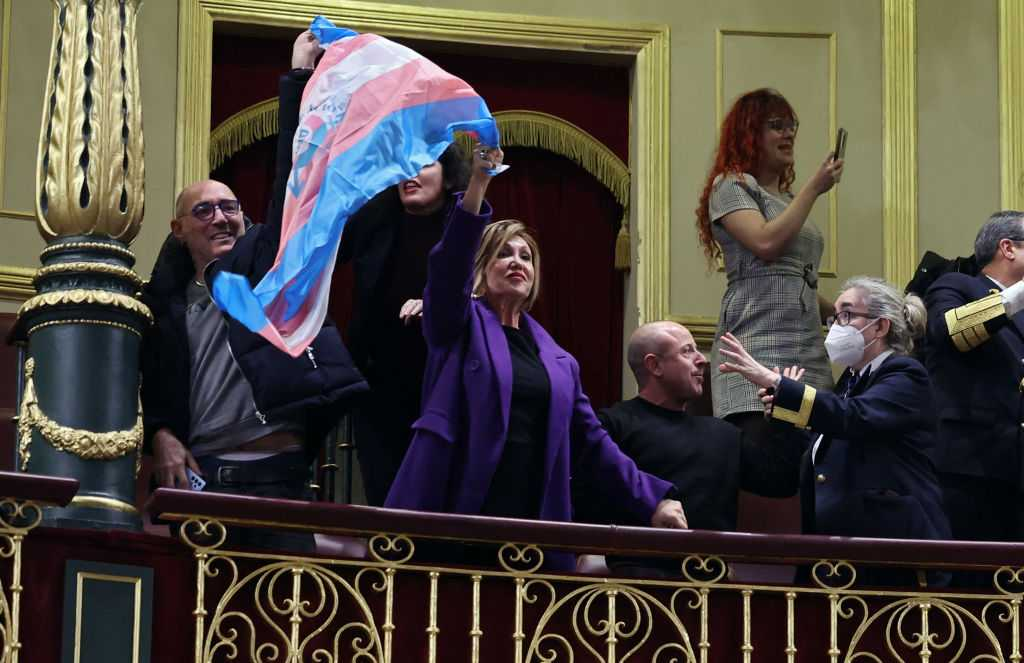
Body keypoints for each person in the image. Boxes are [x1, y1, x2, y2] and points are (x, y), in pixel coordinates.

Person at [384, 147, 688, 570]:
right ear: (482, 269)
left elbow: (593, 441)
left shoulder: (558, 360)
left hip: (532, 527)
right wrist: (479, 183)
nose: (517, 262)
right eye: (504, 254)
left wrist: (651, 500)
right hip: (456, 513)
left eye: (526, 256)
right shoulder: (456, 325)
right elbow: (449, 265)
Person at [276, 31, 471, 505]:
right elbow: (301, 181)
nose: (410, 173)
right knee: (388, 503)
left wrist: (439, 303)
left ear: (448, 174)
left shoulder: (471, 227)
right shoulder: (373, 217)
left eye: (424, 164)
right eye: (404, 163)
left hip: (450, 388)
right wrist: (300, 78)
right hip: (378, 386)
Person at [717, 277, 951, 553]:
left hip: (891, 542)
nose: (835, 326)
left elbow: (855, 417)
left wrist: (779, 384)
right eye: (834, 317)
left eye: (847, 315)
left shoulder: (905, 375)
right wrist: (784, 414)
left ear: (880, 326)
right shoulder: (849, 383)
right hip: (837, 543)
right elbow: (820, 453)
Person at [575, 321, 803, 577]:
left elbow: (779, 482)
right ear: (654, 365)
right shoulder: (611, 426)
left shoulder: (722, 433)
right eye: (687, 351)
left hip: (710, 584)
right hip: (634, 582)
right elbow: (585, 499)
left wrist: (785, 418)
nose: (701, 360)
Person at [696, 88, 842, 443]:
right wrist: (815, 187)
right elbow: (765, 243)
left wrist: (839, 312)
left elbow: (796, 277)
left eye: (791, 125)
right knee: (768, 460)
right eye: (776, 125)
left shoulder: (789, 200)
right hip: (756, 347)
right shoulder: (730, 186)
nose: (788, 133)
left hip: (808, 349)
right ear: (750, 134)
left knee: (814, 463)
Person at [924, 210, 1024, 544]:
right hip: (968, 464)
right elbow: (951, 331)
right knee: (966, 576)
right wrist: (1016, 297)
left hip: (1016, 465)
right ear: (1008, 248)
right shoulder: (955, 284)